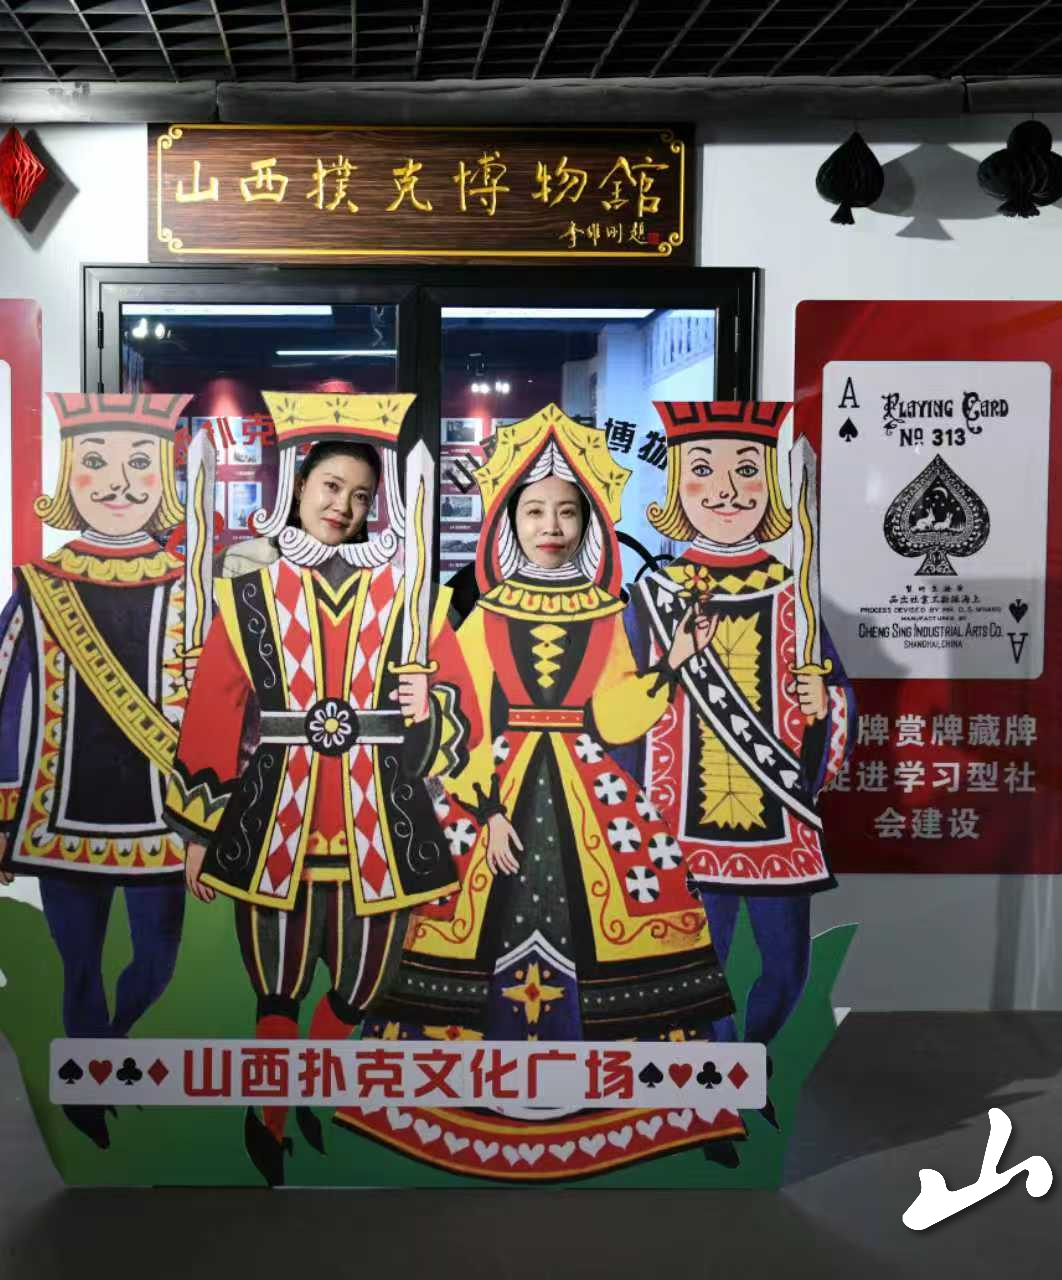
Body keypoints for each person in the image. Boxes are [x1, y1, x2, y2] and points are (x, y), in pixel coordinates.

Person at [343, 404, 745, 1181]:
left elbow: (616, 712)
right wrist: (486, 809)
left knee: (632, 920)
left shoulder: (607, 612)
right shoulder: (482, 614)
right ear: (509, 521)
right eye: (535, 511)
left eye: (566, 511)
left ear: (588, 522)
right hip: (497, 786)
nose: (551, 526)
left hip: (590, 783)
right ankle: (453, 1099)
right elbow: (464, 716)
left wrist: (674, 661)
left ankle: (656, 1102)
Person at [167, 391, 457, 1187]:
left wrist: (429, 701)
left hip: (383, 819)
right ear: (297, 485)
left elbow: (455, 706)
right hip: (275, 817)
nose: (344, 507)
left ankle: (297, 1090)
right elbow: (215, 709)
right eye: (332, 487)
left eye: (362, 496)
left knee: (365, 988)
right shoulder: (247, 593)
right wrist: (198, 831)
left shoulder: (408, 596)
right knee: (277, 987)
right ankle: (268, 1120)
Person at [0, 392, 196, 1152]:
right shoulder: (41, 585)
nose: (117, 483)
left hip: (164, 823)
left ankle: (110, 1053)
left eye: (137, 464)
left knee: (157, 965)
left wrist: (213, 823)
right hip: (60, 819)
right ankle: (89, 1101)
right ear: (68, 478)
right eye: (96, 463)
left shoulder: (192, 584)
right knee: (77, 968)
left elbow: (223, 707)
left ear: (163, 479)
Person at [627, 401, 853, 1129]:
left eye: (746, 471)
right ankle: (721, 1082)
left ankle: (752, 1056)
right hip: (682, 818)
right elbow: (624, 699)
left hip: (778, 818)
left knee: (787, 971)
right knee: (702, 969)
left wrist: (825, 701)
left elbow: (838, 697)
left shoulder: (796, 594)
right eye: (704, 471)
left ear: (771, 490)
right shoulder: (654, 596)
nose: (726, 490)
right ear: (678, 490)